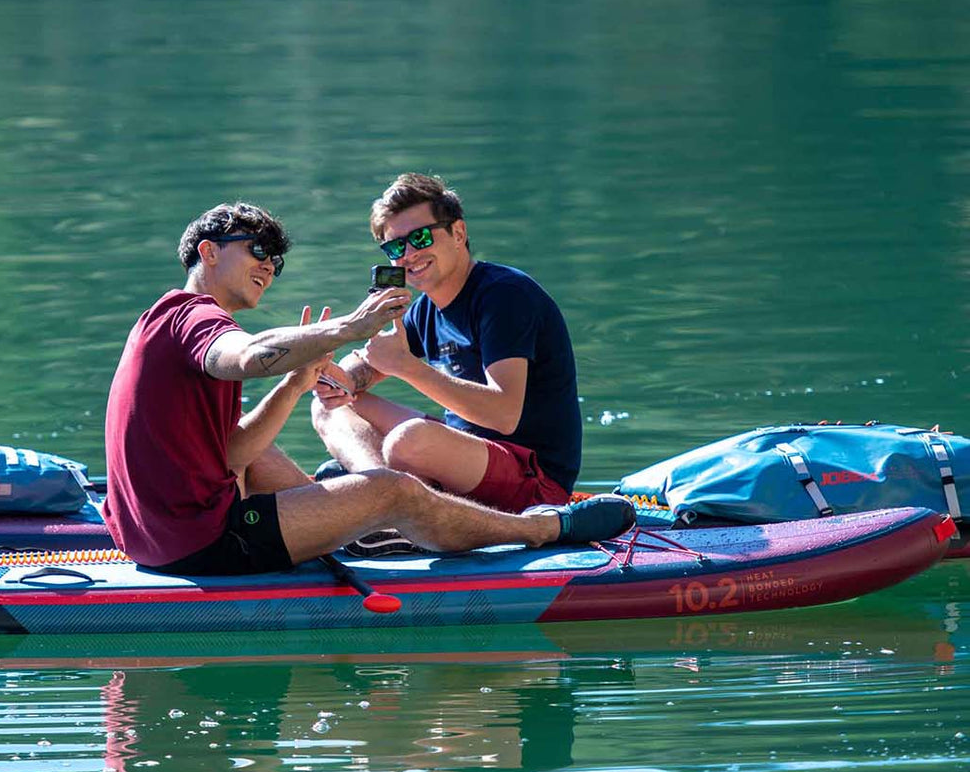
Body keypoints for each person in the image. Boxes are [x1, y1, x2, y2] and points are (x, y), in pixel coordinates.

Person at [103, 200, 631, 576]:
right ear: (208, 252)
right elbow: (241, 357)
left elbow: (234, 454)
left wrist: (296, 382)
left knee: (271, 454)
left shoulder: (166, 320)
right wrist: (346, 330)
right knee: (391, 488)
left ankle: (359, 523)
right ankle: (542, 530)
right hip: (204, 543)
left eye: (276, 259)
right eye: (257, 248)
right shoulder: (194, 318)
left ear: (458, 233)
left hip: (154, 540)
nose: (269, 264)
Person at [311, 171, 583, 513]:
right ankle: (380, 492)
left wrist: (408, 368)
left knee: (409, 441)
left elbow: (504, 416)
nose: (409, 253)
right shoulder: (425, 309)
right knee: (329, 407)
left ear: (458, 233)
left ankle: (386, 498)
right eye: (396, 246)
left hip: (534, 479)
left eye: (421, 238)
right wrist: (336, 375)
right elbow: (366, 365)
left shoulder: (504, 296)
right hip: (468, 457)